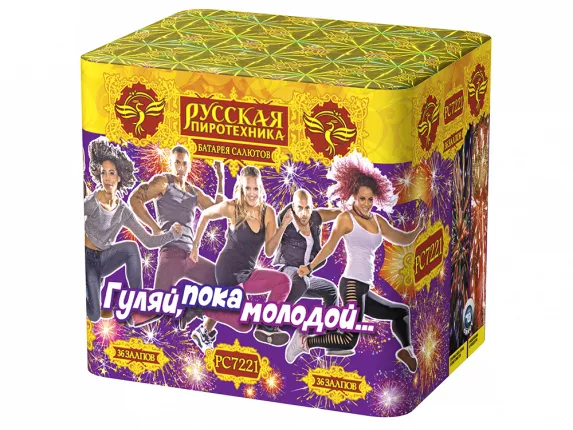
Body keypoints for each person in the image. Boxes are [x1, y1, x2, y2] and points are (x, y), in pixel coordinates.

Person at [285, 151, 423, 373]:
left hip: (363, 288)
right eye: (362, 199)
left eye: (370, 199)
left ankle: (406, 350)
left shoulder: (377, 221)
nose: (366, 204)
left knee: (401, 312)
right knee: (349, 340)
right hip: (351, 285)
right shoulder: (346, 219)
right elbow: (329, 247)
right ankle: (304, 342)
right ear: (353, 197)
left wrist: (418, 230)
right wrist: (309, 267)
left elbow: (402, 238)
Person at [191, 166, 292, 350]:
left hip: (247, 273)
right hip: (227, 272)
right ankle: (199, 308)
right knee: (243, 323)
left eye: (255, 188)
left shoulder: (268, 212)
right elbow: (205, 215)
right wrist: (195, 246)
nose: (252, 193)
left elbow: (269, 251)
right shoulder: (232, 207)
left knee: (283, 281)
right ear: (242, 189)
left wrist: (283, 226)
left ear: (260, 188)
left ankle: (267, 324)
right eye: (248, 188)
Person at [84, 137, 182, 323]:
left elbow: (148, 241)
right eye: (103, 173)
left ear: (119, 177)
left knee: (131, 248)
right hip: (85, 259)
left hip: (103, 259)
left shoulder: (123, 211)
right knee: (95, 315)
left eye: (111, 173)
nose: (107, 178)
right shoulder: (92, 202)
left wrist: (172, 234)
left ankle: (136, 305)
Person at [129, 145, 224, 328]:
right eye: (177, 163)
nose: (181, 168)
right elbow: (135, 199)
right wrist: (156, 228)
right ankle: (126, 313)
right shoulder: (163, 182)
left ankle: (192, 310)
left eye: (184, 164)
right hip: (171, 253)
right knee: (153, 310)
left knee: (224, 283)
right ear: (170, 164)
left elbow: (217, 210)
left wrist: (220, 176)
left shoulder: (194, 193)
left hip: (190, 256)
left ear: (189, 166)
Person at [273, 190, 340, 309]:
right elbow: (270, 237)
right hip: (288, 272)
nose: (304, 213)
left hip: (305, 275)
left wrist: (353, 208)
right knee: (302, 280)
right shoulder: (285, 221)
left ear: (312, 207)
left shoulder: (316, 217)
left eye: (307, 208)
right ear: (294, 207)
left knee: (331, 290)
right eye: (300, 208)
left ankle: (330, 321)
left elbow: (338, 212)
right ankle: (275, 314)